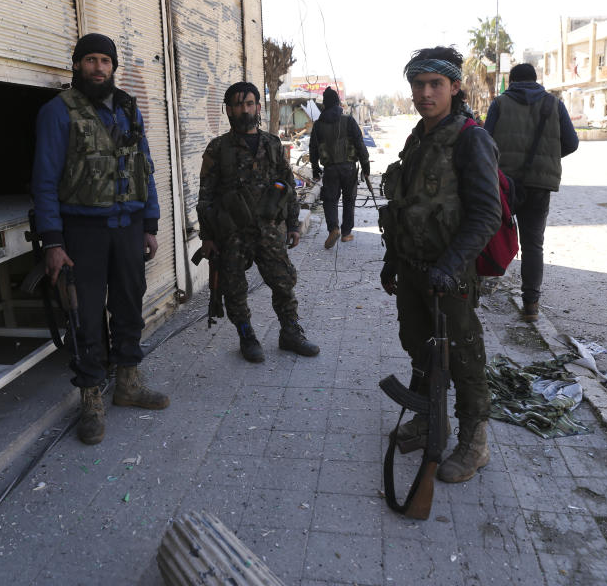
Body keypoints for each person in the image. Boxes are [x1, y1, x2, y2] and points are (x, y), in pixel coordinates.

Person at [32, 33, 169, 446]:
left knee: (129, 306)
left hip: (128, 228)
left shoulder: (128, 107)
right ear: (77, 66)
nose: (97, 68)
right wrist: (53, 242)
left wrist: (151, 222)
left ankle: (127, 382)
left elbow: (144, 164)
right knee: (85, 316)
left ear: (113, 67)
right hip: (82, 232)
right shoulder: (58, 112)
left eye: (104, 61)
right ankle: (91, 397)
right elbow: (44, 180)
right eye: (89, 60)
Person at [380, 46, 502, 483]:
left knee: (464, 356)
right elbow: (405, 206)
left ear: (455, 87)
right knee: (419, 347)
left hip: (450, 275)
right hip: (413, 269)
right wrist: (392, 260)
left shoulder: (471, 138)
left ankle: (474, 443)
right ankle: (432, 419)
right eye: (418, 84)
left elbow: (486, 214)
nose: (425, 92)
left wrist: (449, 266)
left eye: (435, 84)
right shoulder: (419, 137)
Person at [197, 82, 320, 363]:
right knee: (234, 288)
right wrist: (208, 236)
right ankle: (246, 336)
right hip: (233, 233)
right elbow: (206, 195)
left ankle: (290, 332)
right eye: (238, 105)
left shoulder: (272, 143)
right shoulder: (218, 149)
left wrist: (292, 224)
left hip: (270, 230)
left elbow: (286, 185)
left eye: (249, 103)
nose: (244, 110)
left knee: (284, 282)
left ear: (257, 107)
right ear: (228, 110)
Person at [484, 63, 579, 322]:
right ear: (535, 80)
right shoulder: (554, 104)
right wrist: (544, 158)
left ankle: (483, 284)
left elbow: (483, 141)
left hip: (503, 184)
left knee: (489, 232)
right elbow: (572, 142)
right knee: (533, 244)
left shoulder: (500, 104)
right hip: (539, 185)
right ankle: (531, 305)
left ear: (512, 81)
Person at [309, 86, 370, 248]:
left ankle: (333, 229)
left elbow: (313, 149)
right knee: (349, 199)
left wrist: (315, 168)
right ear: (337, 103)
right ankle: (346, 233)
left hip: (329, 169)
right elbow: (359, 143)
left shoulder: (318, 125)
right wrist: (366, 165)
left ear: (324, 105)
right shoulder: (348, 120)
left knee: (330, 201)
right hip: (349, 168)